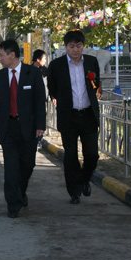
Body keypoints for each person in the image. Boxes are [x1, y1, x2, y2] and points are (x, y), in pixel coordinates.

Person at [0, 39, 46, 218]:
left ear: (12, 55)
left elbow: (39, 101)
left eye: (1, 55)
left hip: (28, 127)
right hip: (8, 128)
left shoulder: (33, 73)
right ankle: (13, 204)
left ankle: (20, 191)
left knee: (27, 165)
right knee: (11, 168)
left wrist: (40, 126)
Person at [47, 29, 101, 204]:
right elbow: (52, 87)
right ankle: (74, 192)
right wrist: (58, 98)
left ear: (83, 46)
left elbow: (95, 83)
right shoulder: (57, 65)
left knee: (92, 154)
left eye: (78, 46)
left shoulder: (91, 62)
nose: (75, 50)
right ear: (65, 47)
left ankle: (84, 179)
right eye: (71, 46)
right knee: (70, 156)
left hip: (88, 115)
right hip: (68, 116)